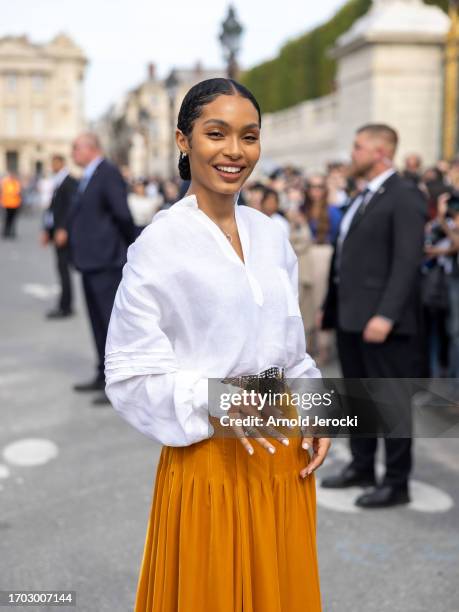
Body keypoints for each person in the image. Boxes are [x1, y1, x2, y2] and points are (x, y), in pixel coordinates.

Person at [105, 78, 330, 612]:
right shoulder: (159, 244)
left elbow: (293, 351)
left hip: (285, 461)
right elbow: (130, 372)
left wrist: (322, 411)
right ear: (184, 141)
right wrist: (221, 399)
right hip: (211, 462)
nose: (235, 151)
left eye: (249, 137)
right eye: (216, 133)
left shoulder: (272, 234)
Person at [321, 124, 426, 508]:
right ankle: (362, 466)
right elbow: (348, 256)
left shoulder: (404, 195)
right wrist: (330, 308)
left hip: (384, 324)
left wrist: (386, 314)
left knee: (391, 402)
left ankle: (396, 482)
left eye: (359, 146)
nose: (353, 153)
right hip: (352, 319)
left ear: (381, 152)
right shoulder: (363, 196)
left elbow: (406, 262)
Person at [67, 132, 138, 405]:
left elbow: (122, 214)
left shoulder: (107, 172)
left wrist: (129, 246)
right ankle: (103, 374)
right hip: (91, 262)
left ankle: (120, 385)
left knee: (110, 326)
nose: (73, 152)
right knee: (98, 324)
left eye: (75, 147)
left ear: (90, 148)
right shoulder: (89, 175)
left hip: (106, 262)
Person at [40, 155, 78, 318]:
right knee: (61, 269)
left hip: (63, 233)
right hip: (56, 231)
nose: (52, 166)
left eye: (54, 163)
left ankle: (66, 306)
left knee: (63, 269)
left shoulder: (68, 182)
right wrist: (47, 231)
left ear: (61, 163)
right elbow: (53, 210)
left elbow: (70, 210)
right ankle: (65, 303)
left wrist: (63, 229)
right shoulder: (58, 181)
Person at [1, 170, 22, 239]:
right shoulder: (6, 183)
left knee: (13, 219)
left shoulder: (16, 183)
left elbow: (18, 192)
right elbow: (3, 192)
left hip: (15, 204)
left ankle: (12, 232)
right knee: (7, 219)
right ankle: (6, 232)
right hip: (7, 204)